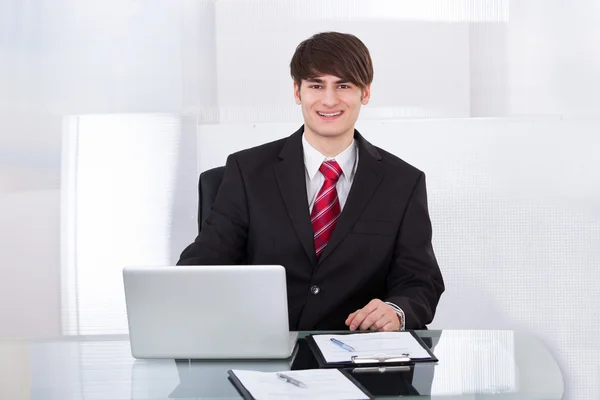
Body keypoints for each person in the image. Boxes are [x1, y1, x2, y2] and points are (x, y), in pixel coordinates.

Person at [178, 31, 444, 331]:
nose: (329, 100)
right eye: (316, 85)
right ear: (297, 91)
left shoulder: (403, 182)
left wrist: (396, 311)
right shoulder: (247, 171)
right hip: (266, 354)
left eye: (343, 85)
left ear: (365, 93)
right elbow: (204, 263)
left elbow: (421, 280)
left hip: (359, 356)